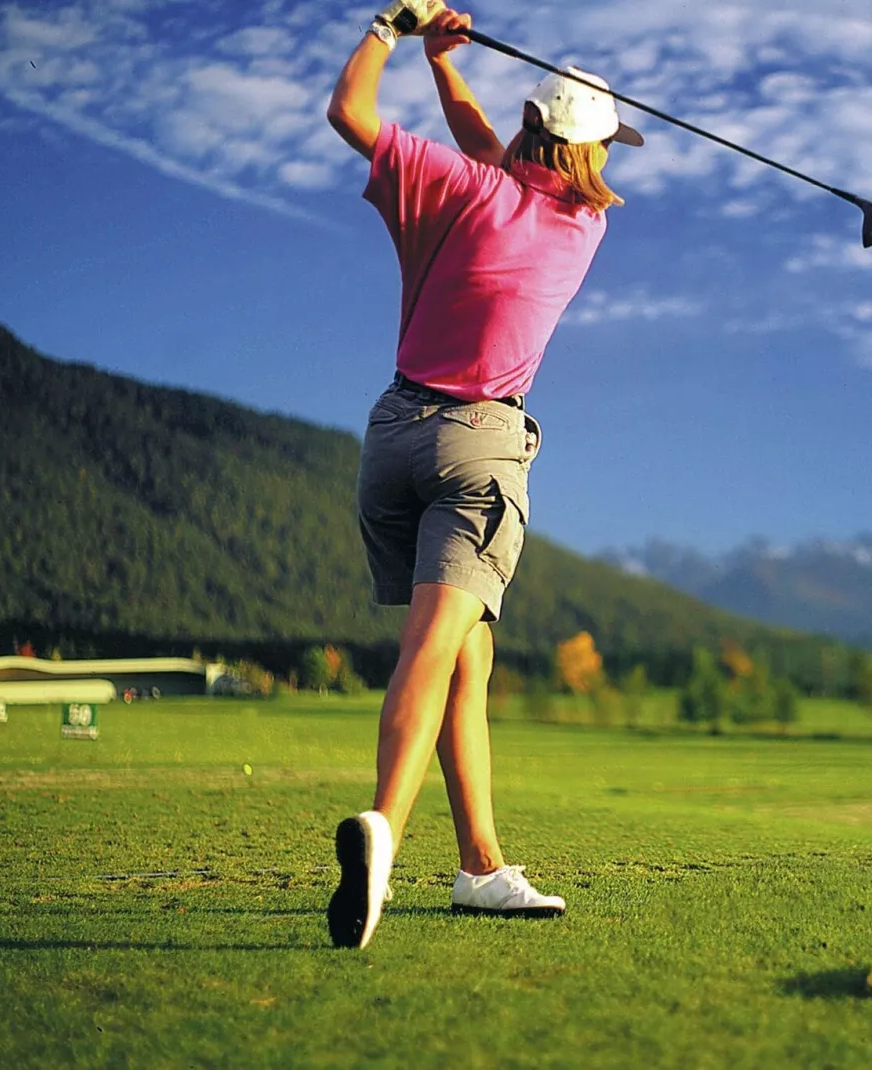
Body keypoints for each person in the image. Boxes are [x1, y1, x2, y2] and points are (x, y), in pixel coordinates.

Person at [322, 0, 643, 950]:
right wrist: (441, 64)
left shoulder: (459, 186)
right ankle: (381, 827)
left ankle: (479, 867)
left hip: (391, 436)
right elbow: (504, 155)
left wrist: (400, 37)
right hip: (477, 453)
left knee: (469, 654)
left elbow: (351, 112)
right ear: (590, 157)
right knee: (434, 645)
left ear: (531, 131)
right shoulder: (584, 226)